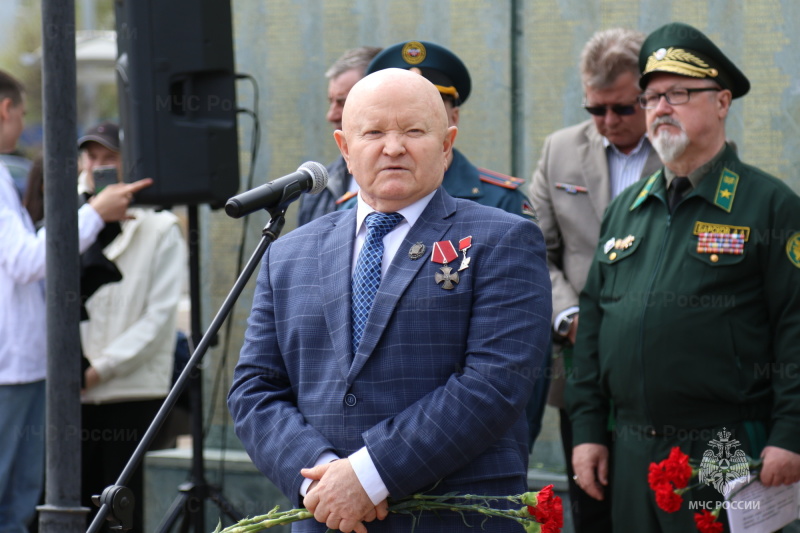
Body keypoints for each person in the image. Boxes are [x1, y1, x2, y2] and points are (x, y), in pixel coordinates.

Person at [228, 68, 551, 533]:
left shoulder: (503, 238)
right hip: (325, 518)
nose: (393, 147)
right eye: (373, 132)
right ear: (344, 148)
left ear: (446, 145)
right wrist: (318, 479)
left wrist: (368, 475)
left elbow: (494, 383)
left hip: (452, 519)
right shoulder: (289, 253)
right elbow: (254, 388)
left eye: (414, 131)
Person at [566, 22, 800, 532]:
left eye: (678, 94)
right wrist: (587, 430)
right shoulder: (630, 207)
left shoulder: (768, 205)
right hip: (629, 450)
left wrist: (791, 434)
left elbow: (796, 327)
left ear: (721, 102)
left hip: (723, 450)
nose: (661, 108)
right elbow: (595, 325)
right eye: (651, 97)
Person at [0, 70, 148, 533]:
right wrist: (93, 214)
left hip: (19, 362)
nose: (22, 125)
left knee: (18, 497)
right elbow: (26, 261)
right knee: (14, 499)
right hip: (13, 366)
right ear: (6, 110)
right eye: (22, 114)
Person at [529, 28, 660, 533]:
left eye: (624, 109)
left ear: (649, 95)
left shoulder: (684, 149)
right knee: (593, 504)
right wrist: (570, 315)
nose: (608, 123)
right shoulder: (559, 151)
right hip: (581, 364)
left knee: (665, 502)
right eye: (595, 110)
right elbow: (535, 251)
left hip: (659, 369)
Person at [77, 122, 187, 532]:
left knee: (123, 512)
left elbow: (158, 318)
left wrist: (97, 369)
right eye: (91, 158)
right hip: (75, 394)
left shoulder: (160, 228)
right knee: (76, 505)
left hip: (131, 389)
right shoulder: (71, 221)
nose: (98, 166)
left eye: (109, 158)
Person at [358, 40, 536, 222]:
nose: (393, 148)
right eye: (376, 131)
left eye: (428, 105)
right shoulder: (357, 204)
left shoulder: (500, 201)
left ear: (454, 117)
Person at [297, 45, 383, 227]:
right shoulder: (319, 186)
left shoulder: (421, 180)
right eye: (331, 102)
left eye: (342, 102)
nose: (331, 115)